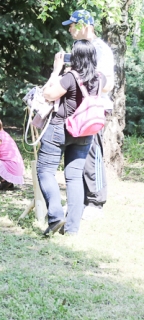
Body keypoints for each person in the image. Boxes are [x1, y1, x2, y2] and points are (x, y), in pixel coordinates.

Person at [39, 40, 106, 236]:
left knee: (45, 171)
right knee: (75, 177)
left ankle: (56, 215)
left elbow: (48, 94)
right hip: (85, 132)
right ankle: (71, 229)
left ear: (74, 57)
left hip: (60, 128)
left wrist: (55, 70)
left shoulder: (70, 77)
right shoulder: (100, 78)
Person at [63, 10, 114, 219]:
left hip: (93, 109)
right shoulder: (79, 48)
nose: (70, 29)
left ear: (85, 26)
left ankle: (96, 202)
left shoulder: (101, 50)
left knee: (93, 153)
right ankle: (81, 200)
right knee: (79, 155)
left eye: (73, 25)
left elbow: (107, 83)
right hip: (78, 109)